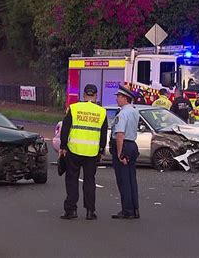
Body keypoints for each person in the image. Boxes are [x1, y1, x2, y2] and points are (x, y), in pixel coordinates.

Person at [59, 84, 108, 220]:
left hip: (74, 150)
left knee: (72, 180)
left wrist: (63, 146)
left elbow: (65, 129)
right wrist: (101, 149)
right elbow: (103, 134)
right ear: (96, 95)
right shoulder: (101, 112)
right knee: (89, 181)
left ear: (84, 95)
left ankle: (71, 210)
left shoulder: (74, 109)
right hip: (92, 152)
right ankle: (90, 211)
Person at [110, 86, 140, 219]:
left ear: (124, 98)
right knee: (131, 179)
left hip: (124, 145)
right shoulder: (134, 111)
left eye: (118, 96)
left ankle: (127, 210)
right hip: (132, 145)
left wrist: (119, 153)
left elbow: (120, 134)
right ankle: (134, 208)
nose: (117, 99)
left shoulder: (122, 114)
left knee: (123, 180)